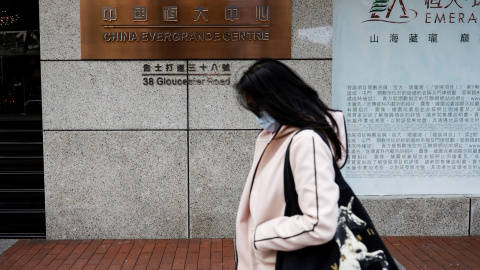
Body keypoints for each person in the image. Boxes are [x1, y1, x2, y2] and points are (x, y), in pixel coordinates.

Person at [235, 58, 348, 270]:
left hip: (283, 261)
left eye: (258, 108)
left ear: (279, 98)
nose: (259, 116)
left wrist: (259, 236)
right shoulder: (272, 138)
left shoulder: (306, 142)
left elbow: (319, 223)